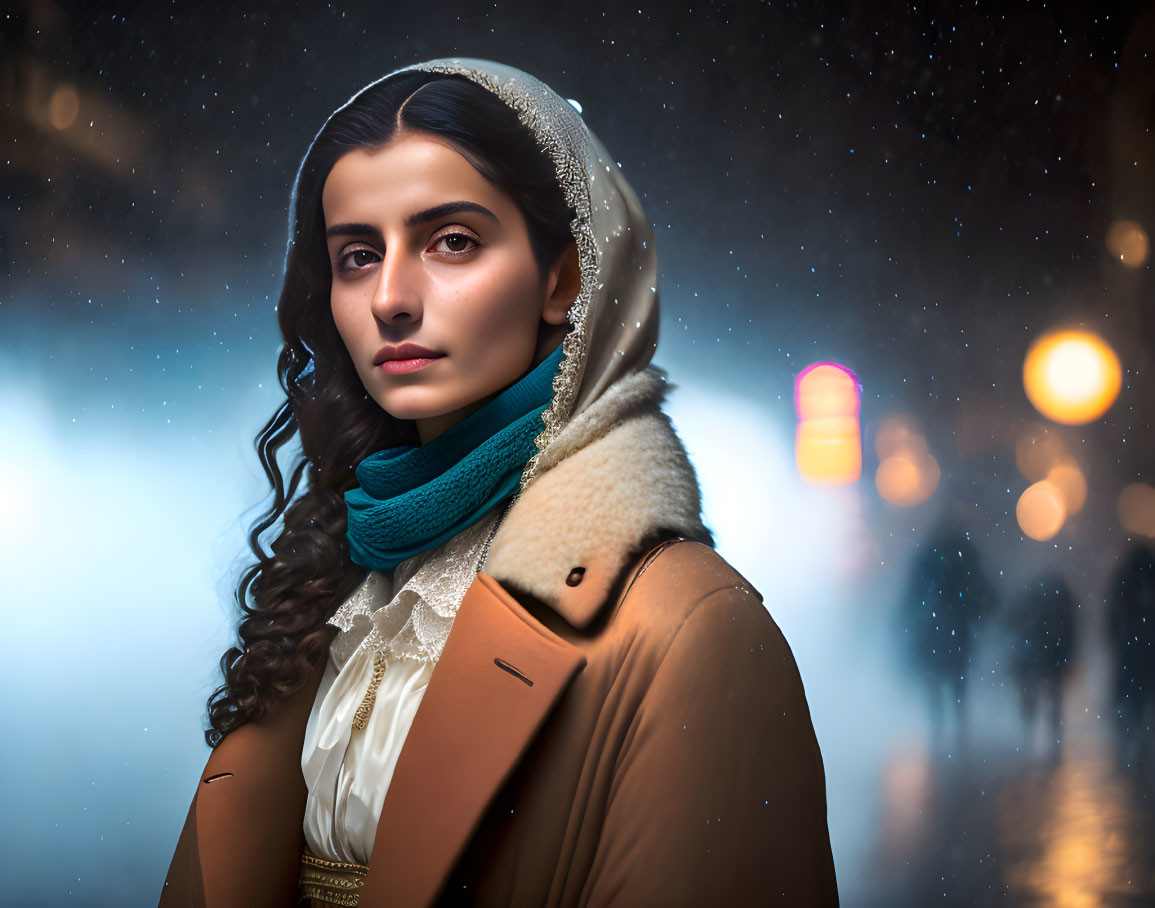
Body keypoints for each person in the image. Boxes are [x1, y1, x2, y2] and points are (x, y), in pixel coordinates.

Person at [159, 57, 839, 907]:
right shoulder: (340, 580)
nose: (391, 299)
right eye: (358, 255)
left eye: (452, 241)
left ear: (565, 278)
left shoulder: (691, 632)